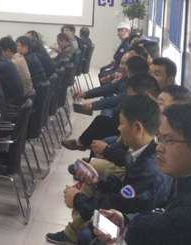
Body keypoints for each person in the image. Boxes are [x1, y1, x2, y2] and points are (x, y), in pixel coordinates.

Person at [93, 104, 191, 245]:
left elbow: (159, 226)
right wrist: (126, 220)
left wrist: (128, 228)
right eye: (159, 138)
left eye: (168, 141)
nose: (159, 148)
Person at [47, 95, 172, 244]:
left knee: (87, 236)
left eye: (121, 123)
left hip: (135, 231)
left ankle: (73, 234)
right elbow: (125, 190)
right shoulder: (145, 153)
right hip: (133, 218)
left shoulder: (149, 170)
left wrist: (77, 199)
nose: (119, 128)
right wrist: (98, 181)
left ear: (137, 128)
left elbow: (119, 204)